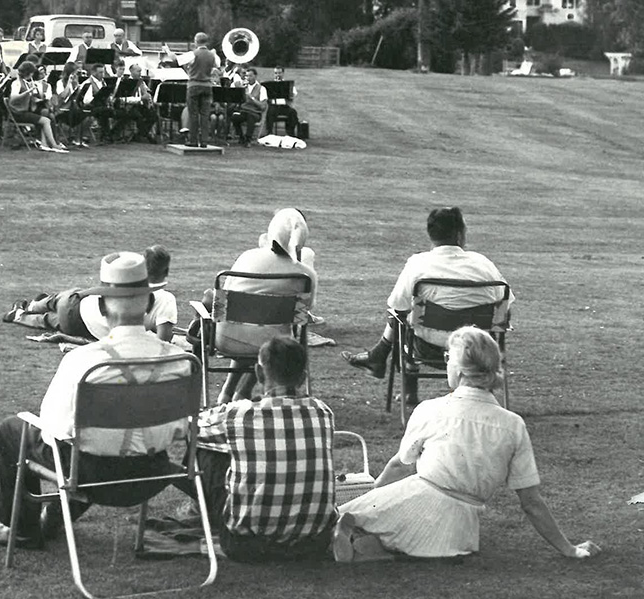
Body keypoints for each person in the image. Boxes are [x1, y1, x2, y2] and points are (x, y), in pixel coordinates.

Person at [334, 326, 601, 563]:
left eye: (448, 358)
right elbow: (531, 502)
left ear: (459, 370)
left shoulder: (431, 409)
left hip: (420, 499)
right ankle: (376, 545)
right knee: (376, 522)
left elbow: (400, 465)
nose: (446, 362)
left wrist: (368, 497)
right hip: (459, 533)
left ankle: (367, 539)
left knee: (335, 517)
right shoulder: (513, 424)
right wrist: (569, 549)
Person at [0, 252, 191, 548]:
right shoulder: (181, 362)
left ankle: (23, 530)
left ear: (102, 307)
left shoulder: (84, 362)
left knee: (15, 430)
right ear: (148, 303)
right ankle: (52, 520)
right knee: (91, 444)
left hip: (93, 479)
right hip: (153, 473)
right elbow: (182, 426)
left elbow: (53, 428)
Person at [177, 336, 337, 563]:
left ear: (259, 375)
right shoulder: (323, 412)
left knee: (204, 449)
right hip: (314, 542)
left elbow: (191, 428)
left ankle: (199, 510)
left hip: (245, 545)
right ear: (303, 378)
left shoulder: (238, 415)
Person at [343, 206, 516, 407]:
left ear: (431, 235)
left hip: (428, 348)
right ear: (460, 234)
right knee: (405, 313)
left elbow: (398, 306)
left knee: (402, 315)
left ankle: (398, 378)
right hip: (479, 347)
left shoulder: (419, 264)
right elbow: (505, 310)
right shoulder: (483, 264)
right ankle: (378, 357)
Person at [196, 208, 318, 404]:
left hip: (226, 338)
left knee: (247, 325)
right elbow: (304, 311)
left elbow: (224, 300)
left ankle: (227, 394)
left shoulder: (248, 257)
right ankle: (240, 393)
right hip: (274, 346)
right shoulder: (304, 275)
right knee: (268, 331)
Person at [5, 244, 179, 343]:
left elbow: (101, 290)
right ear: (166, 271)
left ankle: (34, 305)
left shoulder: (127, 280)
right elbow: (164, 342)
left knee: (60, 299)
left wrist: (82, 294)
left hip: (78, 305)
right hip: (80, 328)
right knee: (51, 321)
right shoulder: (166, 300)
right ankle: (20, 315)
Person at [8, 62, 67, 152]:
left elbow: (29, 98)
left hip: (24, 111)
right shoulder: (17, 83)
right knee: (45, 120)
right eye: (31, 73)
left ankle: (44, 144)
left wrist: (36, 96)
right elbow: (13, 99)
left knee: (45, 116)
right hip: (18, 113)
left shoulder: (25, 82)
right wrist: (28, 92)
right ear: (27, 73)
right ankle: (54, 145)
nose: (32, 75)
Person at [182, 32, 217, 149]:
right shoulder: (212, 55)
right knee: (205, 114)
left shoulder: (193, 54)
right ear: (206, 42)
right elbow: (217, 65)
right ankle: (204, 141)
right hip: (207, 85)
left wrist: (168, 52)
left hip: (194, 85)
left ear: (196, 41)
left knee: (193, 114)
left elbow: (176, 60)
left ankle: (193, 140)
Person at [230, 67, 268, 146]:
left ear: (255, 76)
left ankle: (248, 139)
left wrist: (252, 99)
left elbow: (263, 106)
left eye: (250, 76)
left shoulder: (261, 89)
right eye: (246, 76)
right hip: (244, 110)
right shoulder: (243, 87)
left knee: (250, 117)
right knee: (234, 117)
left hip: (255, 112)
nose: (248, 78)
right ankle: (241, 137)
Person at [263, 65, 300, 136]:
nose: (278, 75)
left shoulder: (288, 84)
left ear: (283, 73)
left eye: (279, 73)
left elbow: (292, 95)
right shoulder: (270, 85)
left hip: (284, 106)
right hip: (273, 106)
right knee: (270, 112)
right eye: (276, 73)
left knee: (293, 112)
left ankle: (290, 133)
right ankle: (269, 133)